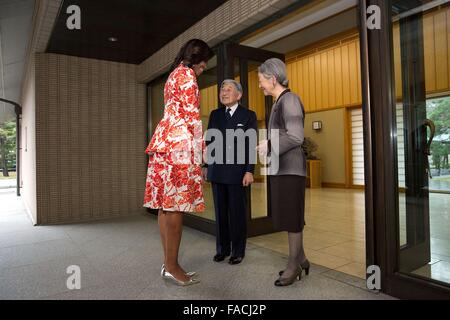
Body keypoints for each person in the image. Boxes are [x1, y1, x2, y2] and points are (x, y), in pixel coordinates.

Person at [144, 39, 214, 286]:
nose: (203, 70)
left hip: (164, 142)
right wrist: (202, 152)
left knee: (165, 205)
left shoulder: (173, 75)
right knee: (175, 207)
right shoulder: (187, 76)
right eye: (203, 65)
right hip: (180, 145)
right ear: (196, 59)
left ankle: (168, 264)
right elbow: (192, 117)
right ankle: (172, 266)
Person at [256, 58, 310, 287]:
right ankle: (302, 258)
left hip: (291, 170)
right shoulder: (279, 102)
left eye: (261, 81)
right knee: (290, 216)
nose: (259, 85)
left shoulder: (290, 100)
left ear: (273, 79)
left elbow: (296, 136)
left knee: (292, 219)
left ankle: (293, 266)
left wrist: (269, 144)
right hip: (282, 169)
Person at [204, 80, 257, 265]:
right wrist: (206, 167)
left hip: (237, 173)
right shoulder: (215, 114)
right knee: (220, 213)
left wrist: (249, 171)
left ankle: (238, 251)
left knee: (237, 214)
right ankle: (222, 249)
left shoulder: (248, 115)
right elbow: (210, 141)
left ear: (239, 95)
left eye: (229, 90)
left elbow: (251, 145)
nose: (224, 93)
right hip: (217, 171)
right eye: (222, 89)